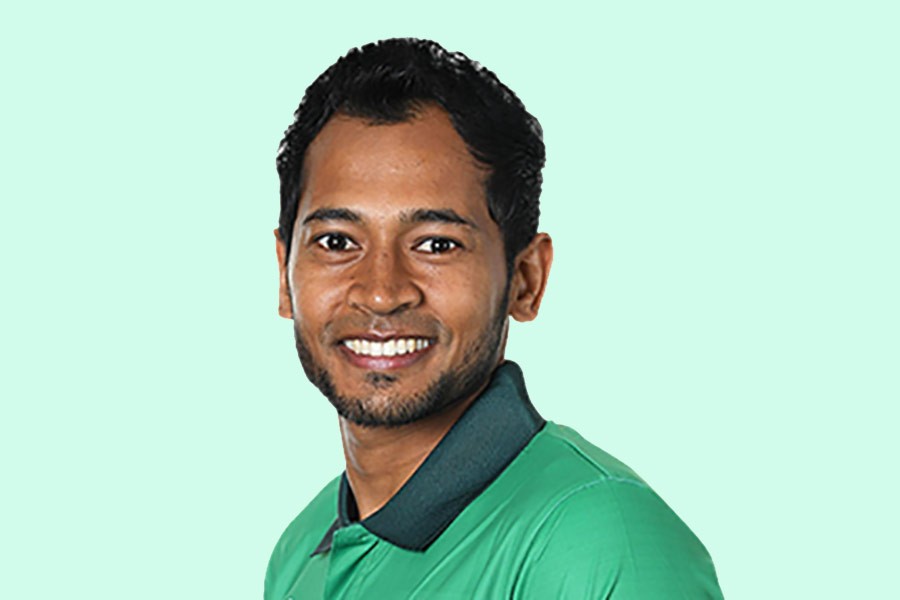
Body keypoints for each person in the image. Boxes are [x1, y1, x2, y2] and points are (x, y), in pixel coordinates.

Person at [266, 38, 723, 599]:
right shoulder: (300, 551)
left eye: (436, 244)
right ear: (284, 273)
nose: (381, 293)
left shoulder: (603, 543)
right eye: (337, 241)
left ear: (525, 279)